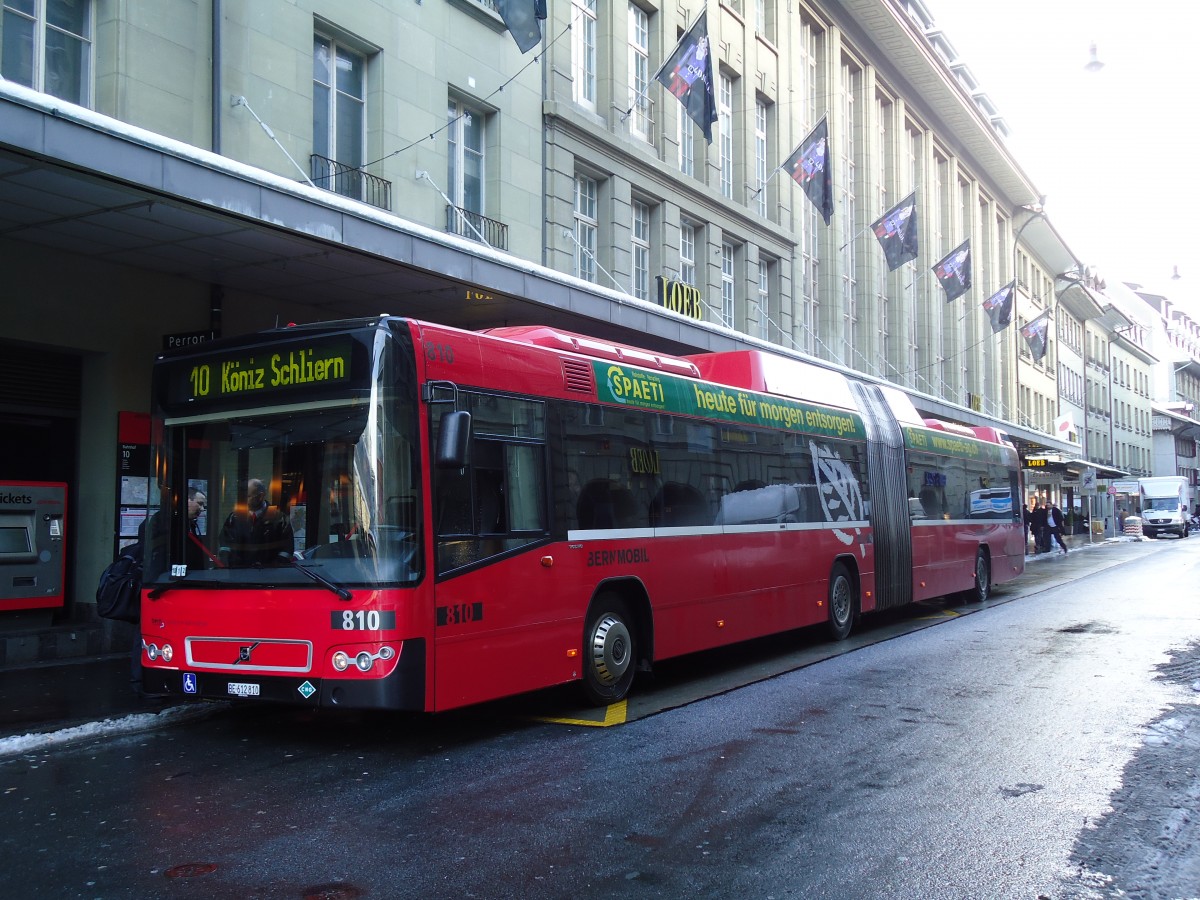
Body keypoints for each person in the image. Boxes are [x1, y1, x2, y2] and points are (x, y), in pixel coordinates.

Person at [219, 478, 295, 566]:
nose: (244, 500)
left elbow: (287, 549)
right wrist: (227, 560)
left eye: (248, 496)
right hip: (239, 571)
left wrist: (273, 565)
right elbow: (225, 542)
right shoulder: (235, 517)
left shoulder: (279, 519)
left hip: (269, 572)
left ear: (261, 496)